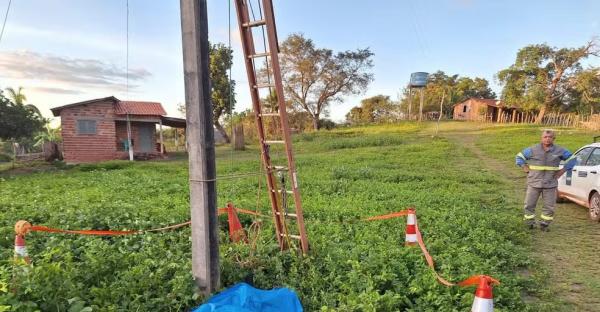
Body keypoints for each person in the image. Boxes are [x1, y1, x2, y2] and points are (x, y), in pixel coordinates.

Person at [515, 129, 576, 231]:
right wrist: (524, 166)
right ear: (541, 138)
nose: (547, 139)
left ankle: (544, 224)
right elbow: (519, 156)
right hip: (534, 182)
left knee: (549, 206)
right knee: (529, 204)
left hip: (550, 183)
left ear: (553, 139)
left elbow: (573, 159)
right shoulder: (533, 149)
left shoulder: (560, 150)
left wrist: (563, 170)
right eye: (545, 137)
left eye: (550, 137)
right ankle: (529, 223)